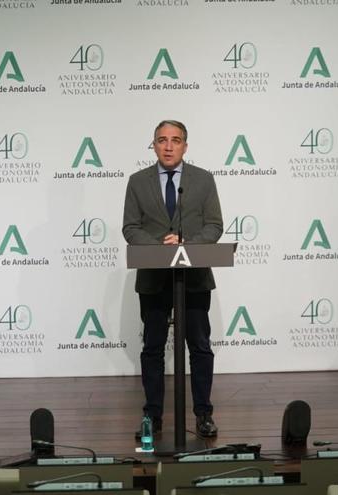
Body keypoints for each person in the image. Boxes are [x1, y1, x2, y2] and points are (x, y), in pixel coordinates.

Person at [123, 120, 223, 438]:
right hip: (153, 278)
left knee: (199, 347)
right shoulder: (137, 182)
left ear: (185, 146)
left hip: (193, 278)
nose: (168, 146)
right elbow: (130, 227)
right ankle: (152, 416)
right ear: (153, 145)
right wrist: (160, 247)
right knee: (152, 348)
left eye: (175, 140)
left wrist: (185, 243)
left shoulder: (204, 180)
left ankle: (203, 414)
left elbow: (214, 225)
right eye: (162, 140)